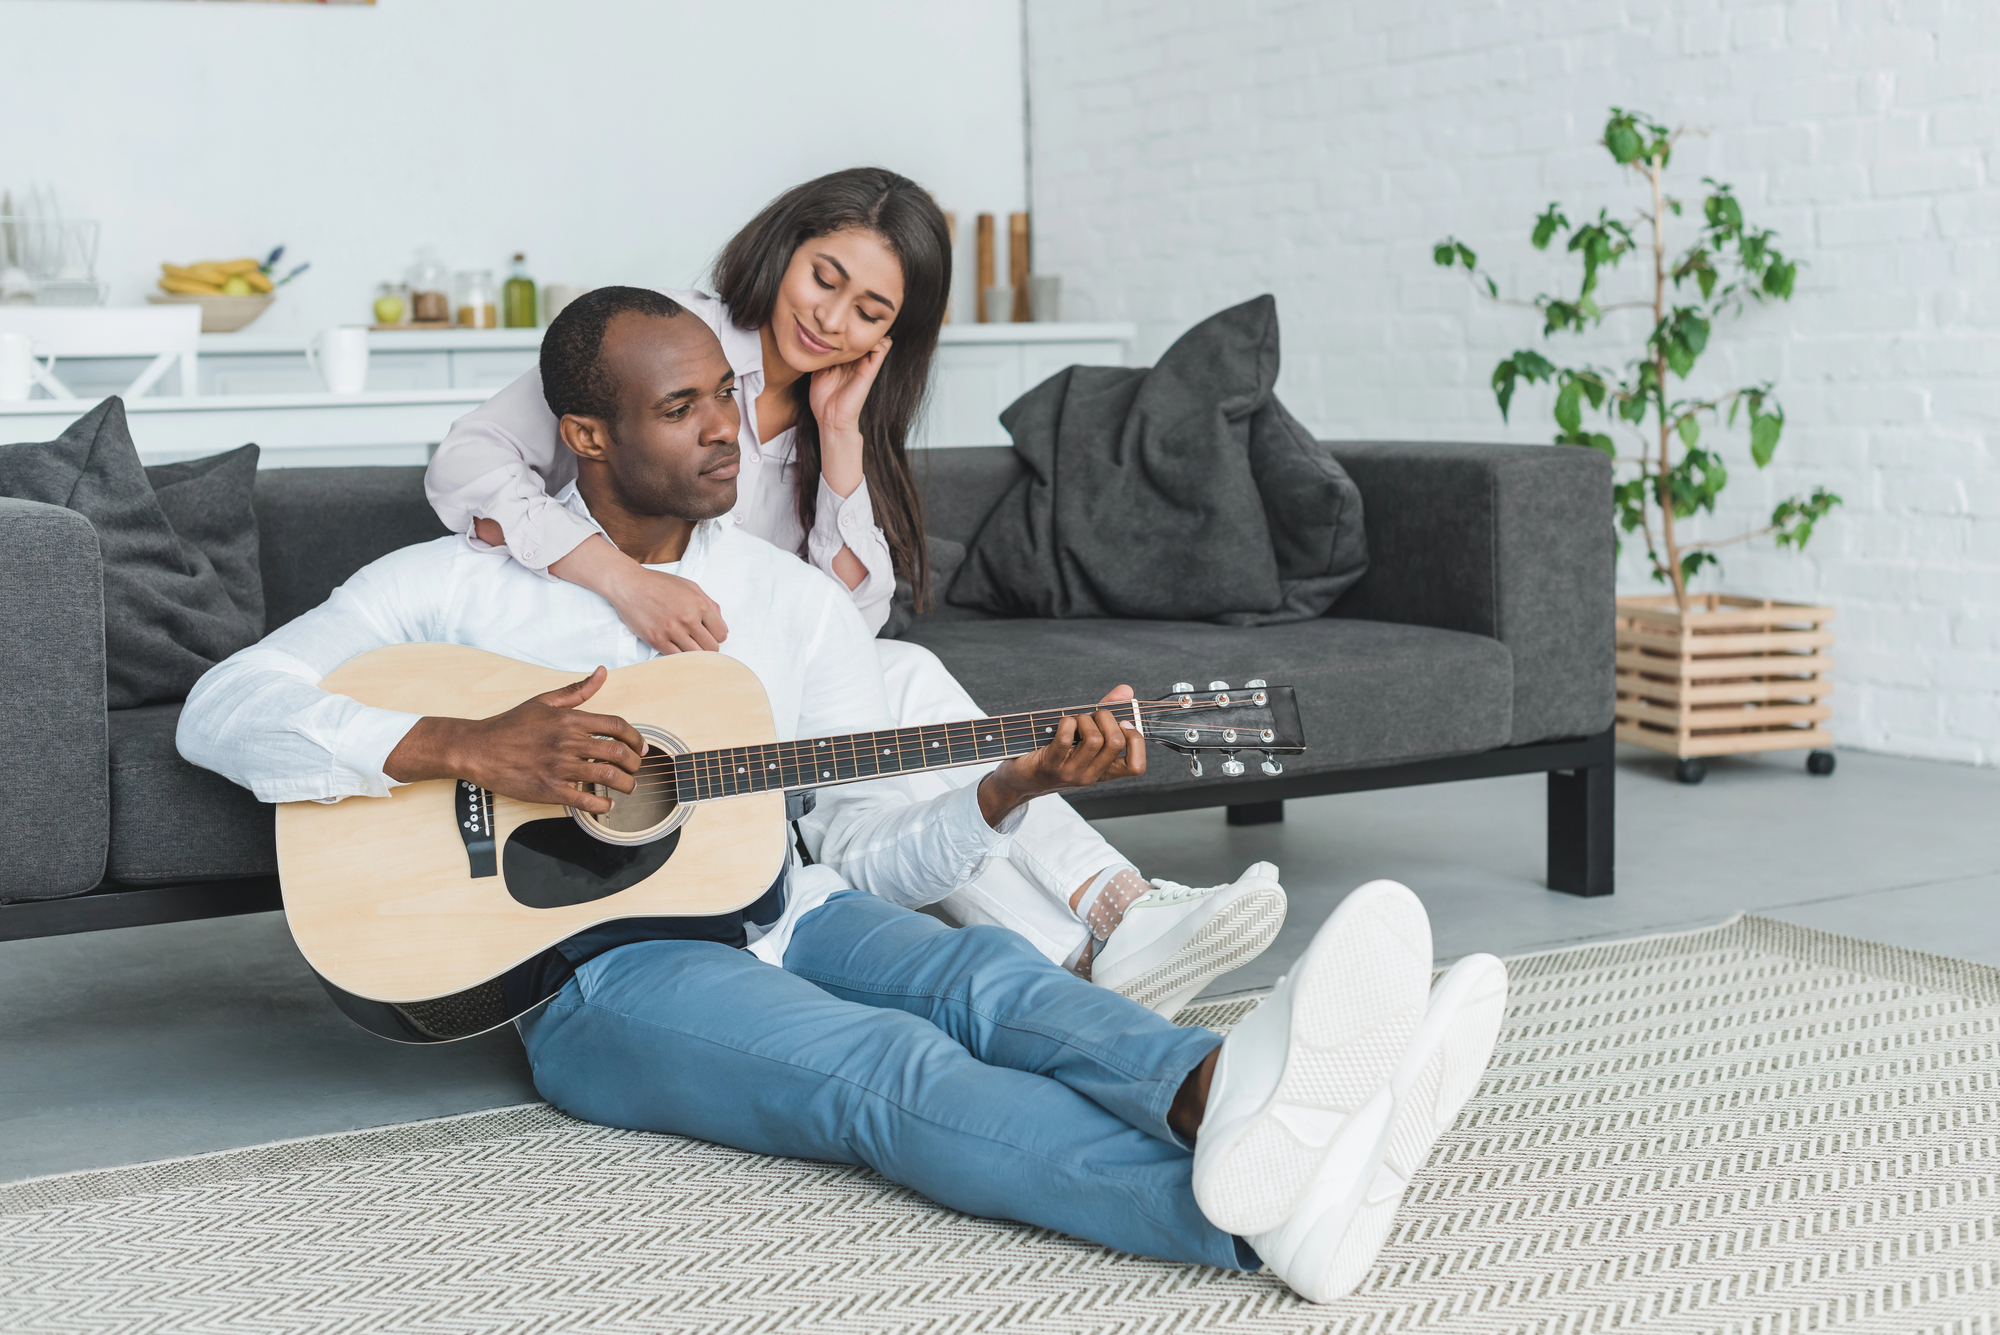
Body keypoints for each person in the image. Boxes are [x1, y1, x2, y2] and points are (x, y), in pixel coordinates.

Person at [179, 289, 1508, 1302]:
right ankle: (1234, 1214)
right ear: (585, 434)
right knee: (886, 1069)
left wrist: (1010, 786)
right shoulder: (447, 589)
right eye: (680, 408)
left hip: (789, 904)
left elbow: (863, 848)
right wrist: (469, 742)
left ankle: (1243, 1103)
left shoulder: (781, 603)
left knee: (998, 982)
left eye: (724, 394)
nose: (724, 431)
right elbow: (224, 706)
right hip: (591, 977)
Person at [423, 168, 1283, 1016]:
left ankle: (1096, 938)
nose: (830, 320)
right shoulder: (663, 337)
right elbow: (464, 463)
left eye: (869, 312)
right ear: (783, 247)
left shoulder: (836, 410)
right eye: (823, 278)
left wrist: (840, 439)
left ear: (893, 334)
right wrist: (623, 578)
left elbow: (847, 626)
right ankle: (1112, 911)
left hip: (734, 698)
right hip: (608, 673)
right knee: (900, 677)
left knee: (884, 685)